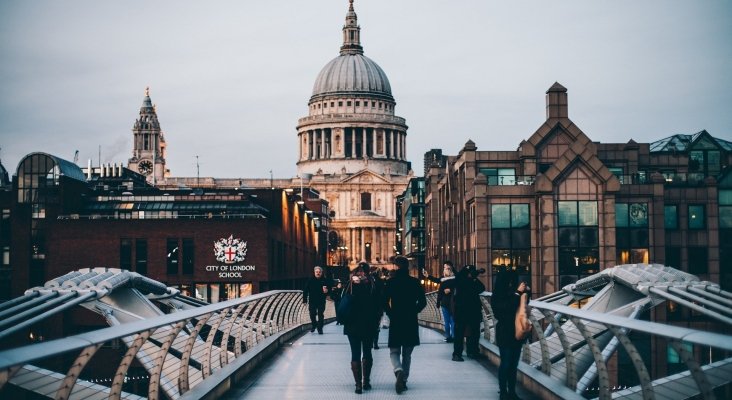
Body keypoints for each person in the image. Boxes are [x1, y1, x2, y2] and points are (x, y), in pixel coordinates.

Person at [383, 255, 427, 394]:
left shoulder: (391, 282)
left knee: (394, 351)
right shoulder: (414, 282)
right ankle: (404, 380)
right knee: (407, 354)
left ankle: (398, 370)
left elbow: (384, 301)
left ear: (396, 267)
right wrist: (414, 310)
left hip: (396, 320)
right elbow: (423, 302)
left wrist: (391, 313)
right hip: (410, 320)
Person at [343, 262, 381, 394]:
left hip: (352, 325)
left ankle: (358, 385)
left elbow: (341, 301)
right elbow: (379, 305)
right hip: (368, 324)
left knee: (355, 353)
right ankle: (366, 381)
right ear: (368, 272)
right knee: (367, 352)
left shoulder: (350, 285)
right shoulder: (373, 284)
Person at [492, 269, 530, 400]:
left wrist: (526, 293)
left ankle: (512, 391)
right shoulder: (498, 294)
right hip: (505, 331)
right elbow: (504, 309)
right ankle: (503, 391)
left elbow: (522, 307)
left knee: (513, 364)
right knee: (506, 362)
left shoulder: (514, 292)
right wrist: (518, 293)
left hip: (516, 332)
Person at [452, 265, 486, 362]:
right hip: (462, 311)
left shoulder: (471, 280)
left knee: (474, 332)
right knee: (459, 334)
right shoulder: (460, 280)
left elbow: (482, 288)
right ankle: (457, 354)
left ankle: (472, 351)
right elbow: (462, 284)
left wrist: (473, 278)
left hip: (472, 311)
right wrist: (472, 279)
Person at [422, 261, 457, 342]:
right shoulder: (455, 279)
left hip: (444, 303)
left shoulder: (443, 279)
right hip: (453, 303)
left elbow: (439, 289)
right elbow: (457, 288)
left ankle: (448, 337)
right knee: (452, 321)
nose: (444, 269)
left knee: (446, 321)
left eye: (445, 268)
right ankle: (454, 337)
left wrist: (438, 302)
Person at [302, 266, 330, 334]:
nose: (318, 273)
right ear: (314, 272)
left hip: (321, 301)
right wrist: (304, 300)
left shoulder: (325, 280)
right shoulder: (310, 280)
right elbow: (305, 290)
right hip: (312, 301)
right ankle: (314, 325)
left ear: (321, 273)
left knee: (320, 315)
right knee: (312, 314)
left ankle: (320, 328)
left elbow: (329, 290)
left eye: (319, 272)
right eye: (316, 272)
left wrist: (327, 292)